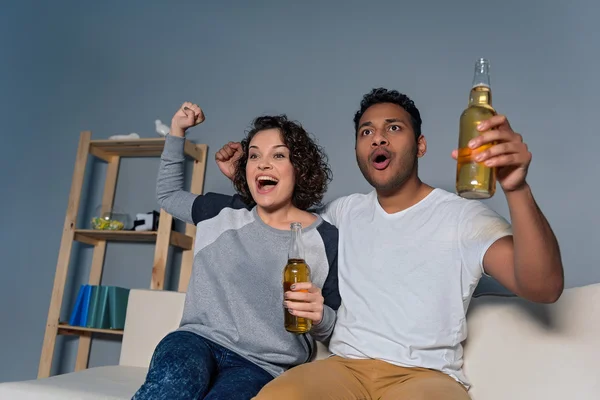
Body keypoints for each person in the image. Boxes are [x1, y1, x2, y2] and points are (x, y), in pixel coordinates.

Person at [216, 88, 564, 399]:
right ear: (357, 149)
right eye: (366, 132)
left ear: (421, 145)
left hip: (425, 378)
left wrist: (517, 188)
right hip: (343, 370)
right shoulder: (342, 213)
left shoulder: (464, 218)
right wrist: (244, 179)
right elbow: (279, 221)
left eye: (393, 128)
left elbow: (544, 287)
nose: (378, 139)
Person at [132, 102, 341, 400]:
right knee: (172, 386)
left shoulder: (325, 239)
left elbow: (339, 330)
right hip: (196, 340)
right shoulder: (221, 212)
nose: (263, 163)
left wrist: (321, 316)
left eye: (278, 155)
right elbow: (168, 195)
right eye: (254, 156)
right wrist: (177, 131)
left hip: (262, 365)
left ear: (300, 169)